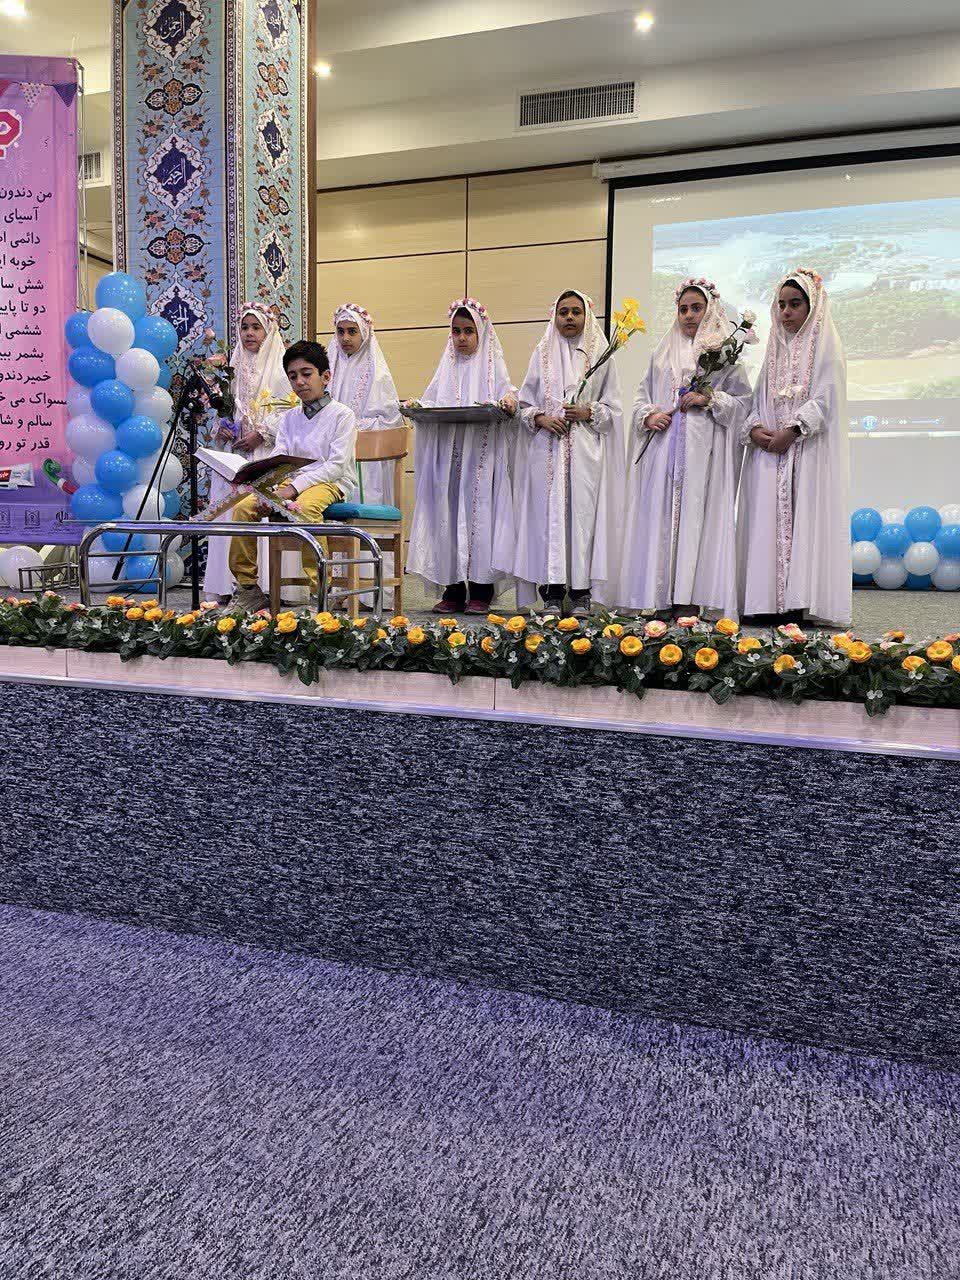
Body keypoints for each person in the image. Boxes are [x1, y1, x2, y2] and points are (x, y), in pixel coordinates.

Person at [617, 278, 751, 620]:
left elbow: (743, 404)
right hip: (664, 451)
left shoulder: (725, 355)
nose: (689, 315)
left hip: (702, 452)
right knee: (660, 519)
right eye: (683, 309)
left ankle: (689, 596)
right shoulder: (662, 354)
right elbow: (641, 398)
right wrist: (649, 416)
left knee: (696, 520)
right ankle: (660, 595)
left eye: (696, 308)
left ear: (710, 310)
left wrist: (710, 399)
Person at [736, 267, 850, 626]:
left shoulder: (827, 350)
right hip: (771, 452)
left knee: (803, 522)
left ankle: (800, 603)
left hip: (806, 450)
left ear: (811, 307)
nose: (786, 312)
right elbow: (757, 400)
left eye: (795, 304)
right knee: (767, 523)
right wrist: (755, 429)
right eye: (781, 305)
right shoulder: (773, 352)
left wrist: (794, 429)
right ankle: (767, 602)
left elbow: (826, 398)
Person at [511, 289, 623, 617]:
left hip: (586, 454)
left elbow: (614, 409)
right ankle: (552, 592)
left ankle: (580, 593)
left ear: (586, 316)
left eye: (576, 311)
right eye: (564, 312)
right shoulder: (542, 352)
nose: (570, 318)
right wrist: (541, 418)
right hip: (547, 452)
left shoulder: (601, 353)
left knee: (582, 519)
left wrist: (589, 412)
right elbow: (524, 405)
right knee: (549, 519)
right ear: (555, 316)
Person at [227, 341, 357, 613]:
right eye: (293, 376)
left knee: (306, 508)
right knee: (243, 507)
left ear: (325, 376)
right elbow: (280, 460)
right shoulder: (288, 418)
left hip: (329, 483)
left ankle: (322, 591)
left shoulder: (342, 415)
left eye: (306, 374)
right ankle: (248, 589)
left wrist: (293, 489)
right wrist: (263, 485)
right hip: (290, 484)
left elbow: (336, 466)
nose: (299, 381)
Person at [406, 298, 517, 614]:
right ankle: (452, 588)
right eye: (456, 331)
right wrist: (417, 406)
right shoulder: (446, 368)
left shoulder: (493, 367)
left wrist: (509, 402)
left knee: (480, 517)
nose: (462, 338)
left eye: (469, 331)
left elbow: (508, 396)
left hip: (481, 457)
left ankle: (481, 589)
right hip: (451, 458)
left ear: (481, 333)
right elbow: (432, 401)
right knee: (449, 515)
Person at [203, 304, 290, 600]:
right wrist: (222, 429)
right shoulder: (230, 369)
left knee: (257, 509)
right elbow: (223, 412)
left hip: (265, 454)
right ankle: (228, 584)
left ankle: (265, 583)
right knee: (227, 508)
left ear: (269, 331)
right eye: (244, 327)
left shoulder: (281, 368)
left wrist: (262, 433)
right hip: (234, 455)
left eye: (256, 327)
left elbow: (290, 413)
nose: (249, 333)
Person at [328, 303, 403, 608]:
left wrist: (354, 428)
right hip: (337, 460)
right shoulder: (331, 367)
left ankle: (372, 592)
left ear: (365, 334)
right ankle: (341, 590)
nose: (346, 338)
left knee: (365, 509)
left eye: (352, 331)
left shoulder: (378, 371)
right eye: (341, 332)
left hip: (368, 465)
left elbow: (390, 419)